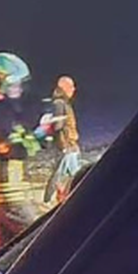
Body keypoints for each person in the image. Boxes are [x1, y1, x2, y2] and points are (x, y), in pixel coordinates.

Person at [0, 52, 43, 255]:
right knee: (37, 236)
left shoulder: (0, 110)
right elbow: (10, 148)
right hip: (6, 190)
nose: (19, 89)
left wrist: (37, 136)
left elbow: (20, 141)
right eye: (14, 84)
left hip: (6, 189)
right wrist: (40, 135)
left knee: (2, 247)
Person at [43, 75, 82, 205]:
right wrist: (64, 144)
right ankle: (48, 200)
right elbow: (58, 126)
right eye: (71, 86)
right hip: (66, 145)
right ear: (64, 87)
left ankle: (65, 198)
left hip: (70, 144)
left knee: (72, 174)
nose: (73, 89)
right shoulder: (60, 103)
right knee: (61, 174)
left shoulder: (62, 103)